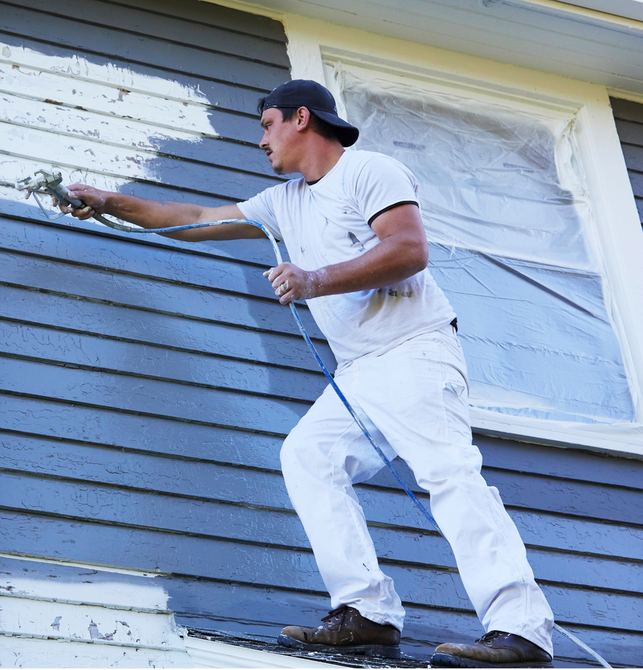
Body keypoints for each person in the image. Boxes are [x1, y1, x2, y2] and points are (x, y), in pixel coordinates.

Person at [60, 79, 554, 668]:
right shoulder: (282, 202)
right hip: (360, 370)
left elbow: (409, 249)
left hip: (415, 348)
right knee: (307, 456)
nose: (260, 140)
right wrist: (108, 202)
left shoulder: (369, 170)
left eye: (266, 125)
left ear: (301, 118)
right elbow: (191, 215)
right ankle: (366, 612)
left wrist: (314, 279)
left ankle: (522, 630)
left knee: (448, 473)